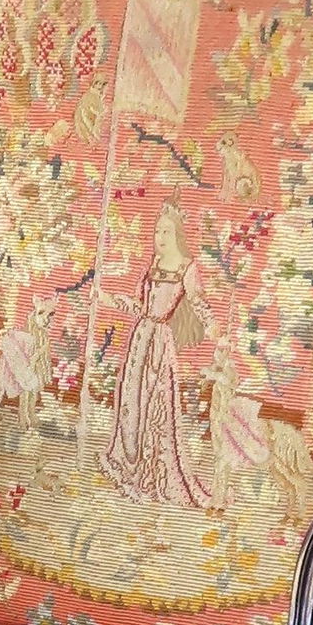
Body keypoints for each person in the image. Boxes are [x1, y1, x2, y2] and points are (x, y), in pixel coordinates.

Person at [100, 201, 212, 508]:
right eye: (156, 230)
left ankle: (151, 469)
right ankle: (128, 459)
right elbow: (140, 306)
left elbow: (200, 304)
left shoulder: (187, 268)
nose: (160, 236)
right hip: (139, 338)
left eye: (166, 230)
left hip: (160, 343)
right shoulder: (152, 265)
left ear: (177, 233)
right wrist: (109, 299)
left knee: (155, 400)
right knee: (131, 397)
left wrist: (216, 331)